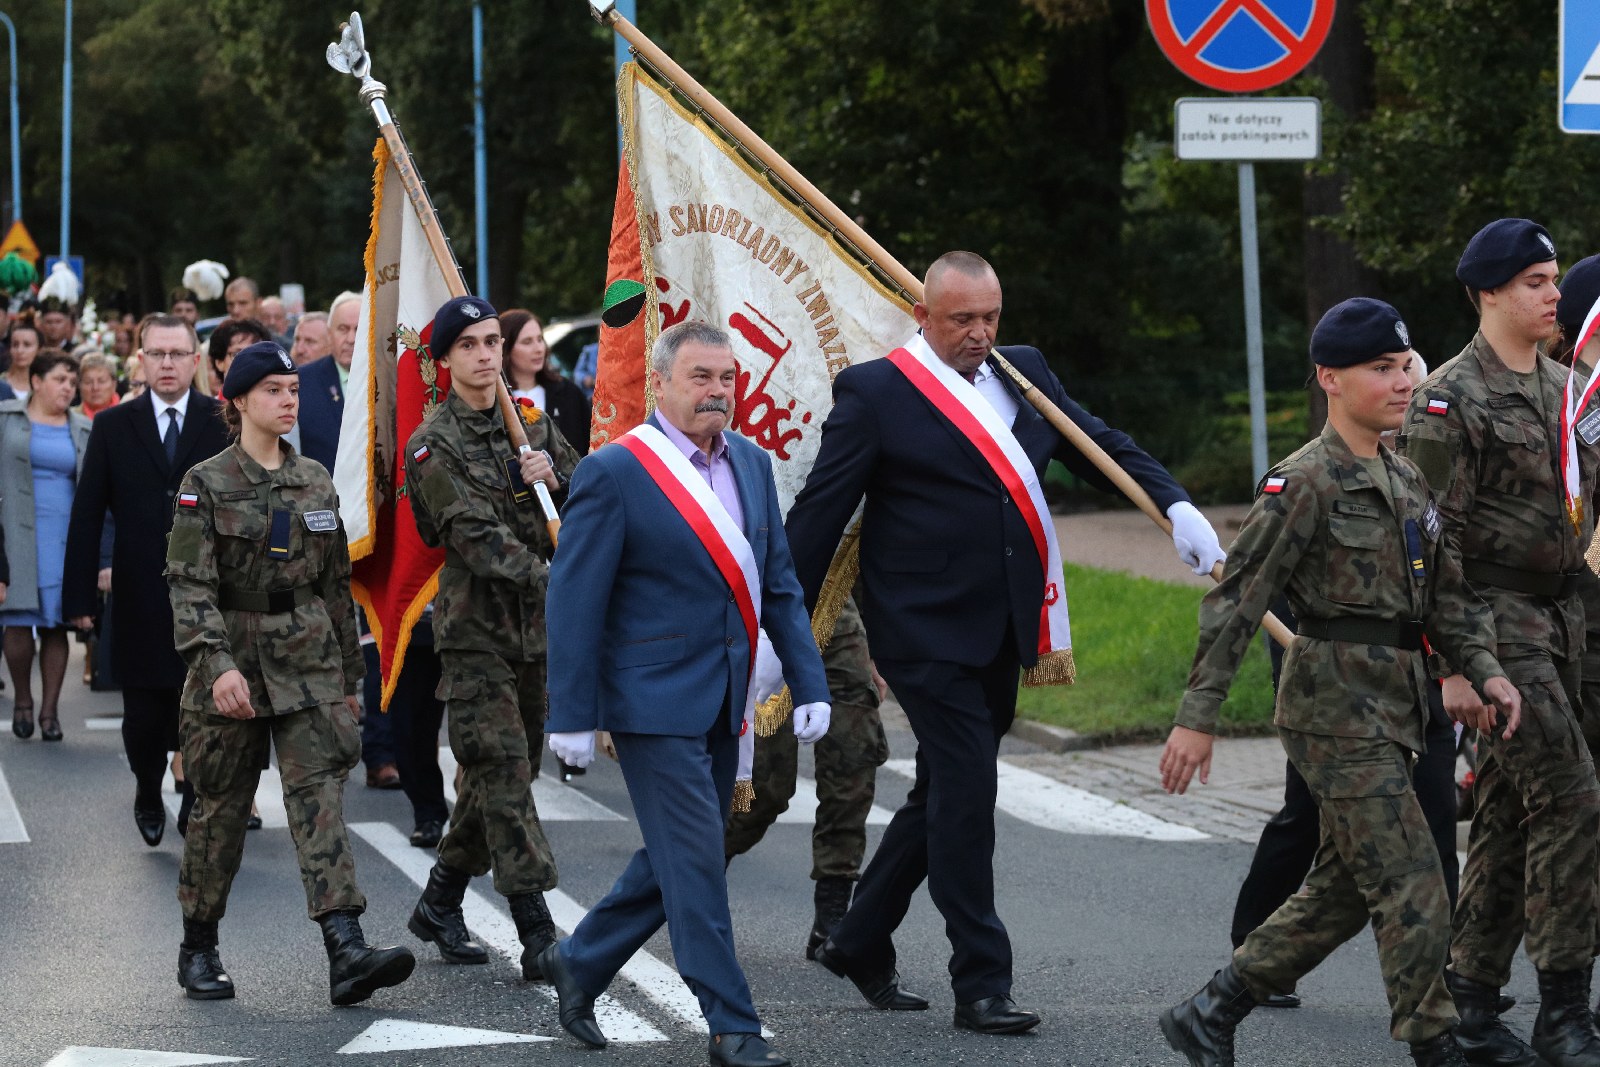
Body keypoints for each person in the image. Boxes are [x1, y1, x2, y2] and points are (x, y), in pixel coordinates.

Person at [782, 251, 1224, 1035]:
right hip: (919, 630)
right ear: (923, 315)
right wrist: (773, 622)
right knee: (969, 791)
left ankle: (855, 937)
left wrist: (1175, 502)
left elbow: (1096, 443)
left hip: (1004, 626)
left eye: (991, 318)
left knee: (944, 792)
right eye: (962, 320)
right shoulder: (878, 391)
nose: (980, 334)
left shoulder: (1024, 373)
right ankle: (980, 979)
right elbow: (821, 514)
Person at [1157, 298, 1519, 1067]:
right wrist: (1198, 718)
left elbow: (1449, 599)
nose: (1399, 382)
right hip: (1332, 706)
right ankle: (1436, 1041)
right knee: (1415, 878)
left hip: (1399, 700)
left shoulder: (1407, 477)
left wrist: (1487, 673)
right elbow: (1235, 600)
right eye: (1379, 369)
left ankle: (1211, 1008)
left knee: (1347, 887)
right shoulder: (1304, 483)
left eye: (1402, 366)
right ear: (1330, 378)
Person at [541, 320, 830, 1067]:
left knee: (677, 853)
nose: (718, 391)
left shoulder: (754, 466)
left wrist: (807, 678)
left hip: (725, 697)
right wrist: (572, 714)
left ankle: (583, 958)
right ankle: (732, 1023)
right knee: (698, 858)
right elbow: (574, 599)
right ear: (661, 384)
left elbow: (780, 585)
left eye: (728, 378)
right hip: (649, 700)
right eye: (701, 377)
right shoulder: (616, 471)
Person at [1398, 219, 1600, 1067]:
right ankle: (1563, 1011)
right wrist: (1449, 668)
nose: (1552, 294)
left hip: (1561, 624)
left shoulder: (1565, 389)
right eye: (1533, 281)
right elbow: (1422, 543)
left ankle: (1473, 1001)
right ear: (1487, 293)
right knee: (1575, 798)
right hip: (1489, 629)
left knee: (1516, 816)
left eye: (1554, 279)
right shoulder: (1449, 398)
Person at [164, 341, 415, 1005]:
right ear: (239, 400)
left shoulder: (315, 481)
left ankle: (346, 949)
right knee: (219, 810)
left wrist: (347, 684)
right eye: (273, 389)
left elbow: (334, 588)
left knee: (318, 802)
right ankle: (198, 945)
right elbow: (189, 586)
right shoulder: (206, 483)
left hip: (306, 664)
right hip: (234, 663)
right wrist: (214, 666)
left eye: (293, 389)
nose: (287, 399)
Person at [400, 295, 578, 981]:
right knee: (503, 771)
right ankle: (539, 932)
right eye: (468, 344)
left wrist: (551, 473)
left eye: (490, 342)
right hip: (475, 632)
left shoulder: (525, 420)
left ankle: (440, 899)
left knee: (504, 771)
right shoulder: (432, 442)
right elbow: (473, 535)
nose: (484, 355)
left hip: (532, 632)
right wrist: (554, 581)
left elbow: (582, 484)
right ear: (444, 359)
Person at [65, 315, 230, 847]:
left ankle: (192, 796)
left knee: (201, 709)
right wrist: (79, 598)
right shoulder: (115, 425)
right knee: (141, 717)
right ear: (140, 361)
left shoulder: (221, 419)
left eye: (177, 354)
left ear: (194, 360)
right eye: (156, 354)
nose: (166, 364)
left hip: (207, 594)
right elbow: (88, 513)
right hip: (137, 591)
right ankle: (146, 788)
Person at [723, 595, 890, 958]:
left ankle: (832, 917)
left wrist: (875, 648)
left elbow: (864, 552)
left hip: (837, 614)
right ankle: (689, 886)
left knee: (853, 764)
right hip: (764, 613)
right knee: (761, 787)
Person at [0, 350, 91, 742]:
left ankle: (50, 711)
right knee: (18, 621)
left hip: (65, 536)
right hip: (15, 533)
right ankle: (23, 699)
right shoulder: (5, 418)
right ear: (36, 381)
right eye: (59, 379)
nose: (67, 388)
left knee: (57, 624)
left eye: (72, 382)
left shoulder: (83, 427)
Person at [499, 309, 592, 457]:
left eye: (540, 339)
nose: (538, 348)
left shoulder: (568, 393)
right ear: (506, 348)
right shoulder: (494, 399)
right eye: (527, 342)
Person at [207, 320, 271, 399]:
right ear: (219, 362)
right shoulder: (208, 410)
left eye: (256, 353)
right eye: (237, 354)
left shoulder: (283, 405)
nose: (248, 361)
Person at [0, 321, 40, 401]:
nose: (20, 350)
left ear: (39, 349)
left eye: (27, 345)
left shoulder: (45, 386)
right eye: (15, 345)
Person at [75, 353, 121, 420]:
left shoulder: (129, 415)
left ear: (114, 385)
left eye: (102, 381)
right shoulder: (69, 418)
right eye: (88, 382)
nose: (95, 388)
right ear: (79, 386)